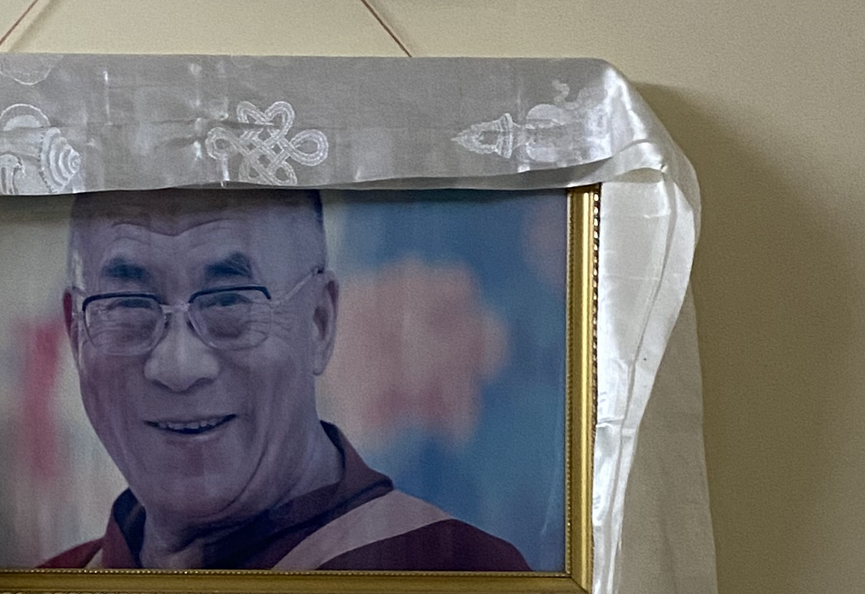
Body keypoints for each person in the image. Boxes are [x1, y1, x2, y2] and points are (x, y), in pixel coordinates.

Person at [42, 187, 529, 573]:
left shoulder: (450, 577)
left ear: (319, 322)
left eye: (229, 300)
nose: (179, 366)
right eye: (127, 305)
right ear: (75, 331)